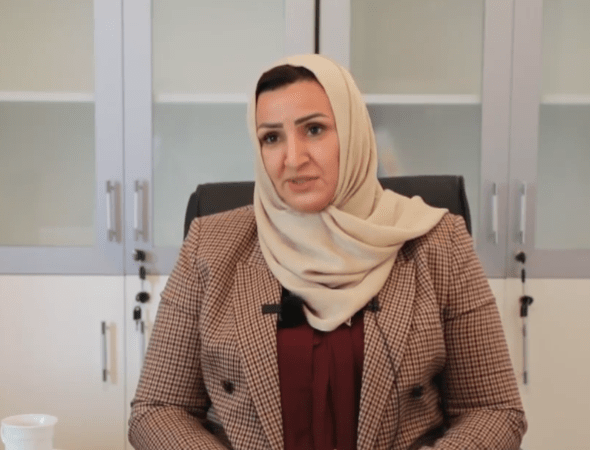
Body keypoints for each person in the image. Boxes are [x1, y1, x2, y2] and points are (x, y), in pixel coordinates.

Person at [129, 54, 526, 450]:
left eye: (314, 129)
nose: (293, 159)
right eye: (271, 138)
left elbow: (494, 410)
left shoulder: (439, 242)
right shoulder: (210, 245)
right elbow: (158, 409)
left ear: (352, 133)